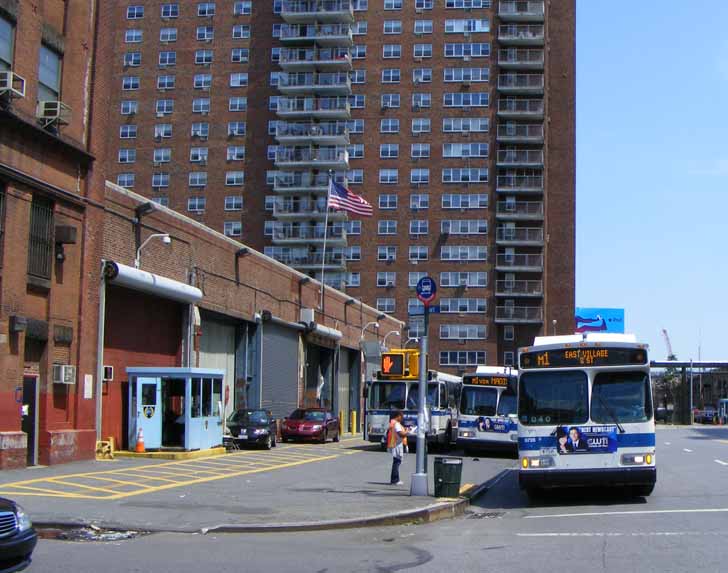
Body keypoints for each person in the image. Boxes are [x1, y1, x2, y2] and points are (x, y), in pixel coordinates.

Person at [386, 410, 408, 485]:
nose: (402, 418)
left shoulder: (393, 423)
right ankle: (395, 480)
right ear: (398, 416)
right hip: (397, 445)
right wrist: (407, 432)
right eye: (401, 416)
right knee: (397, 462)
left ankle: (395, 479)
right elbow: (401, 434)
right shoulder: (396, 424)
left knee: (396, 462)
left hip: (394, 444)